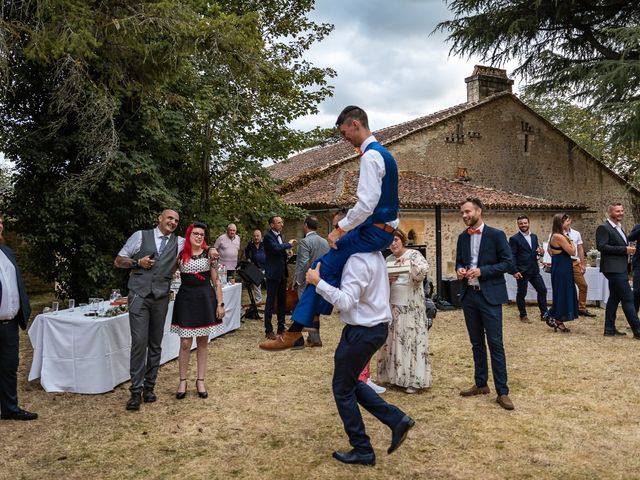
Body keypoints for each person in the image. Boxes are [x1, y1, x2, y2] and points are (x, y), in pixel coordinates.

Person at [268, 105, 399, 350]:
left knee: (323, 267)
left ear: (355, 124)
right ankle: (304, 327)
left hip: (373, 231)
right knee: (332, 268)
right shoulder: (385, 155)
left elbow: (367, 204)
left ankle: (295, 330)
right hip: (383, 229)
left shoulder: (371, 156)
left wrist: (341, 228)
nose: (344, 138)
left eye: (344, 132)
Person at [306, 250, 414, 466]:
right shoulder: (373, 255)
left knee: (342, 389)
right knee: (350, 382)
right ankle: (396, 419)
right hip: (368, 329)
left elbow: (346, 301)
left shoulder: (358, 259)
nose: (332, 238)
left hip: (363, 331)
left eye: (339, 228)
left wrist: (318, 282)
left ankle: (362, 447)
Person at [115, 209, 184, 411]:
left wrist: (212, 248)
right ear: (160, 218)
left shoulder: (178, 242)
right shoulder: (140, 236)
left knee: (155, 344)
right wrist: (138, 262)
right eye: (169, 218)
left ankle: (149, 388)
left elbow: (199, 242)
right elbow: (118, 260)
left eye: (176, 220)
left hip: (161, 297)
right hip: (138, 295)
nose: (173, 222)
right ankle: (135, 392)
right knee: (139, 342)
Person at [455, 197, 515, 411]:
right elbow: (460, 261)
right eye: (462, 213)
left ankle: (503, 392)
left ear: (479, 211)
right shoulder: (462, 237)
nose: (464, 216)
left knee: (495, 343)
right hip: (469, 296)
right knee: (476, 343)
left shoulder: (496, 235)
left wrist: (483, 271)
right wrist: (460, 269)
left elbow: (508, 263)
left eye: (468, 212)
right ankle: (481, 384)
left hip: (489, 296)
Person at [170, 222, 225, 400]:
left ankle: (200, 380)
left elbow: (216, 282)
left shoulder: (211, 255)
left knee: (202, 342)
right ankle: (183, 380)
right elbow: (168, 273)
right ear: (189, 235)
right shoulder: (180, 255)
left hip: (205, 299)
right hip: (186, 300)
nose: (199, 236)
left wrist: (220, 304)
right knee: (185, 343)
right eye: (195, 233)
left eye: (202, 234)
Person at [377, 229, 432, 393]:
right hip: (393, 306)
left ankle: (412, 381)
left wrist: (408, 266)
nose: (393, 244)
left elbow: (422, 273)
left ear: (402, 240)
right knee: (393, 342)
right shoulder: (387, 259)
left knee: (410, 342)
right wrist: (387, 280)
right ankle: (393, 378)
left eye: (396, 240)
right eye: (390, 241)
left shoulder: (414, 255)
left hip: (411, 308)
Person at [0, 215, 36, 421]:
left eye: (1, 222)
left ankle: (9, 408)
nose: (0, 225)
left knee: (9, 367)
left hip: (10, 324)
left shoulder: (6, 252)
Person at [596, 203, 640, 339]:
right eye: (617, 211)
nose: (621, 213)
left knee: (614, 298)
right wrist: (625, 250)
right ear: (610, 213)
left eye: (622, 210)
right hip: (612, 268)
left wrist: (628, 248)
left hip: (620, 267)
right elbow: (601, 247)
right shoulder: (604, 227)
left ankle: (609, 329)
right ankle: (637, 330)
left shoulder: (619, 227)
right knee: (628, 298)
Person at [292, 215, 330, 347]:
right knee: (314, 311)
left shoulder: (304, 242)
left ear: (305, 226)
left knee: (304, 310)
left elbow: (303, 264)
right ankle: (314, 338)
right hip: (320, 281)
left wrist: (298, 281)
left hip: (307, 282)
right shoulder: (325, 242)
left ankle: (298, 340)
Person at [262, 216, 297, 339]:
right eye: (279, 222)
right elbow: (275, 248)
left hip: (282, 273)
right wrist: (288, 245)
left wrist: (288, 254)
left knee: (282, 301)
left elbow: (280, 252)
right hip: (272, 274)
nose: (282, 224)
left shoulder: (281, 236)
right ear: (272, 225)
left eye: (282, 222)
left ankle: (281, 327)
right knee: (270, 303)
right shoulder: (267, 237)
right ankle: (268, 330)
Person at [509, 215, 547, 323]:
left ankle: (544, 314)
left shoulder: (534, 236)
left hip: (534, 270)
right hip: (522, 271)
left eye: (525, 223)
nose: (523, 225)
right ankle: (523, 315)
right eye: (521, 223)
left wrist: (540, 253)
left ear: (528, 223)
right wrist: (514, 271)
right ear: (518, 225)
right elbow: (512, 256)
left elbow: (534, 252)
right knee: (522, 293)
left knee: (542, 290)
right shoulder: (514, 239)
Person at [545, 214, 579, 332]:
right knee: (562, 293)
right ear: (560, 223)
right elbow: (572, 252)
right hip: (562, 269)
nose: (569, 223)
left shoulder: (554, 236)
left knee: (562, 292)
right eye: (567, 221)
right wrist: (571, 241)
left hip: (560, 266)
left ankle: (556, 317)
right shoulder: (559, 236)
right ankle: (554, 316)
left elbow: (550, 252)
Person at [563, 216, 596, 317]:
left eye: (567, 221)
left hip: (574, 263)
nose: (566, 223)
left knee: (583, 285)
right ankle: (567, 308)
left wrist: (582, 263)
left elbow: (580, 249)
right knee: (566, 287)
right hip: (563, 263)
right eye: (563, 221)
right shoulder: (556, 234)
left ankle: (582, 308)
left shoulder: (576, 233)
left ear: (570, 221)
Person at [244, 229, 266, 303]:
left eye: (257, 236)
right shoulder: (250, 244)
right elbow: (246, 251)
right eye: (254, 236)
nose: (256, 237)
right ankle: (258, 301)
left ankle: (271, 301)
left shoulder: (265, 243)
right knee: (256, 285)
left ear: (261, 236)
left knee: (269, 284)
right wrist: (248, 259)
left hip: (266, 266)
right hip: (255, 267)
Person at [626, 223, 640, 312]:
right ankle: (634, 318)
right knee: (637, 290)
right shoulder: (638, 227)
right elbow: (630, 238)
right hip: (639, 264)